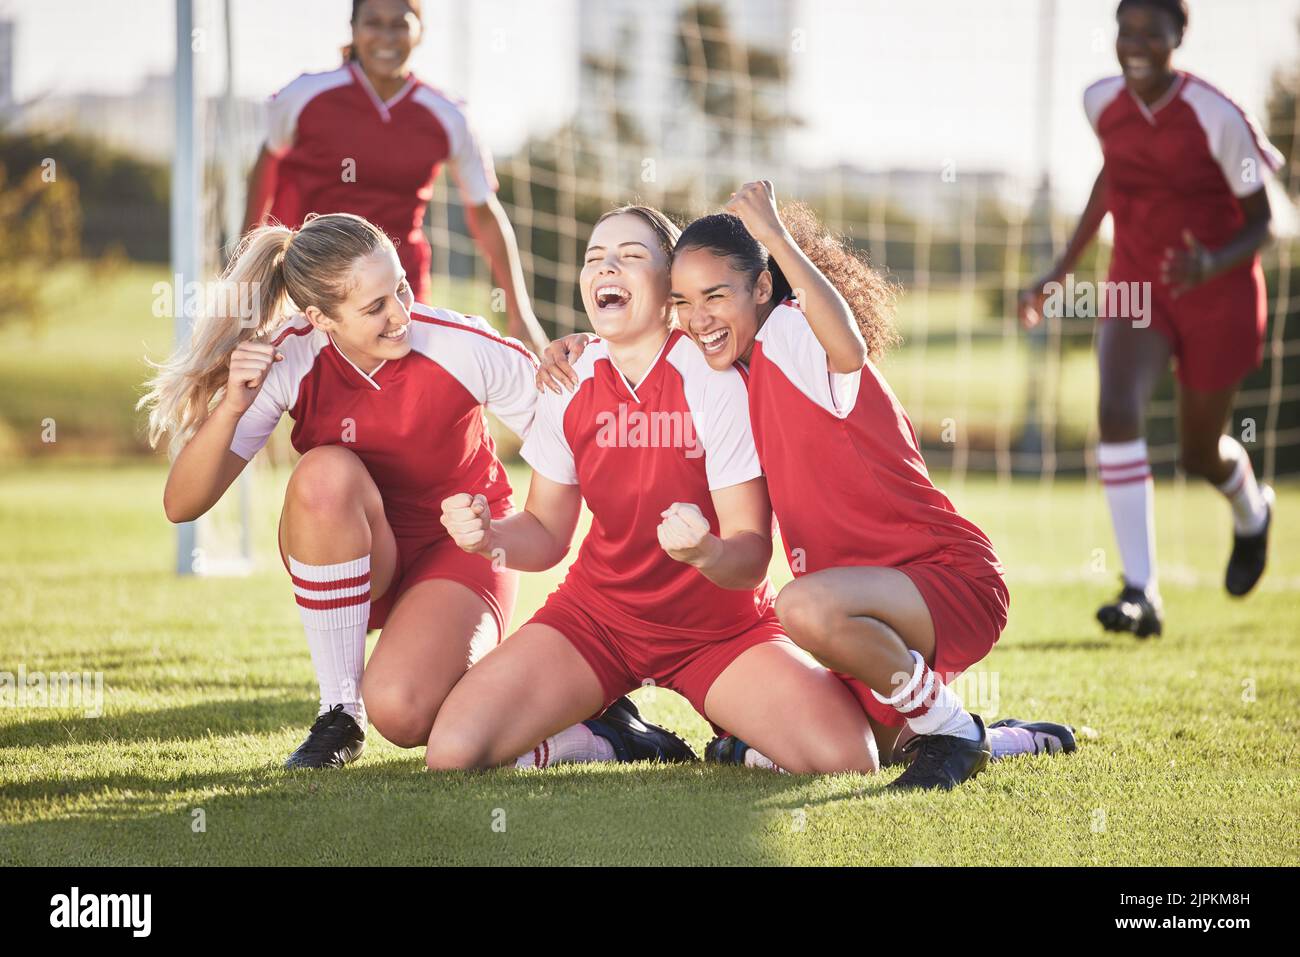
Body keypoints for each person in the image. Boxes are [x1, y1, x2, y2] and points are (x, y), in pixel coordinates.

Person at [541, 187, 1077, 789]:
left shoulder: (793, 337)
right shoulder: (734, 368)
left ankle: (954, 735)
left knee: (800, 607)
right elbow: (656, 344)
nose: (698, 317)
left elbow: (848, 346)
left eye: (716, 296)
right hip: (861, 608)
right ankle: (995, 737)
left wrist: (778, 240)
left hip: (939, 580)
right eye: (683, 302)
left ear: (764, 288)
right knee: (862, 744)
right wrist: (583, 345)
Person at [139, 212, 671, 769]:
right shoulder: (287, 355)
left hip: (461, 552)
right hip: (361, 556)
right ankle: (338, 714)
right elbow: (182, 504)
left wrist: (587, 359)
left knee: (403, 713)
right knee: (324, 473)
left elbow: (572, 420)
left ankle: (597, 736)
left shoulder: (460, 345)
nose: (400, 314)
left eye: (400, 288)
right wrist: (232, 404)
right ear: (320, 318)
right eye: (374, 308)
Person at [427, 206, 880, 775]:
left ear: (671, 288)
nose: (606, 268)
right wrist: (489, 534)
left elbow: (749, 554)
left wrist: (707, 552)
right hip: (598, 621)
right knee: (452, 753)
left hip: (719, 632)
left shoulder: (716, 379)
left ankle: (739, 744)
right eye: (595, 259)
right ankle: (608, 739)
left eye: (631, 256)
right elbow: (545, 535)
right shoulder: (567, 381)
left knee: (847, 759)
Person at [1018, 0, 1282, 637]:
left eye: (1151, 32)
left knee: (1198, 453)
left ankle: (1251, 510)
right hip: (1138, 285)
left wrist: (1209, 262)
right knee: (1116, 409)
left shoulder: (1216, 116)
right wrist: (1059, 271)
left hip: (1218, 293)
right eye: (1124, 30)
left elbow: (1264, 224)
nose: (1135, 44)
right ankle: (1142, 591)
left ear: (1179, 37)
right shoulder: (1100, 102)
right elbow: (1112, 180)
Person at [243, 0, 548, 352]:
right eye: (373, 23)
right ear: (354, 29)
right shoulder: (303, 96)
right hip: (311, 283)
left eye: (399, 24)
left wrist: (519, 311)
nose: (386, 36)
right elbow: (267, 166)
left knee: (402, 401)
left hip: (399, 289)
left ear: (420, 31)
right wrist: (243, 267)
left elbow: (484, 212)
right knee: (304, 396)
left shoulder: (449, 117)